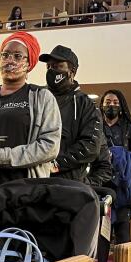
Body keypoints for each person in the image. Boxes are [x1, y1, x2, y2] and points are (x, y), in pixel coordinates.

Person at [0, 32, 60, 193]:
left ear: (29, 63)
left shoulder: (42, 97)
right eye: (5, 55)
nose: (10, 61)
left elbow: (49, 146)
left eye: (18, 56)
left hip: (25, 188)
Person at [40, 44, 101, 184]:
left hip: (69, 183)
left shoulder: (85, 104)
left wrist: (56, 164)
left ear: (72, 72)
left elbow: (91, 146)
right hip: (36, 179)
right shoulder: (38, 98)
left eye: (57, 66)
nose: (51, 70)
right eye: (48, 67)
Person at [97, 89, 131, 262]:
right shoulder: (95, 126)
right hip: (102, 185)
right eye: (108, 102)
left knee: (123, 232)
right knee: (102, 233)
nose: (111, 105)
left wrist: (120, 157)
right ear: (101, 105)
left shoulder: (128, 128)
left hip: (123, 187)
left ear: (121, 106)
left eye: (115, 102)